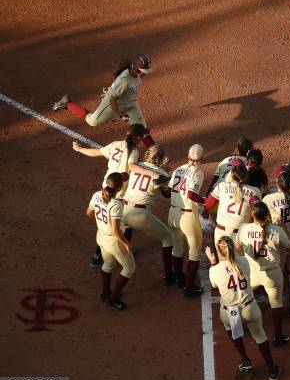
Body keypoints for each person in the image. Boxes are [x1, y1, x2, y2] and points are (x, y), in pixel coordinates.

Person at [206, 238, 282, 380]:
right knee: (260, 337)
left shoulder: (214, 270)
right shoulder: (244, 262)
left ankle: (245, 360)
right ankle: (272, 370)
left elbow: (215, 285)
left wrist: (213, 262)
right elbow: (237, 262)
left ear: (219, 252)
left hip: (230, 312)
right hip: (249, 308)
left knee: (233, 333)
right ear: (232, 248)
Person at [72, 123, 147, 267]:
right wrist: (148, 172)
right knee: (126, 224)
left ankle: (97, 257)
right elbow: (131, 167)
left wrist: (79, 149)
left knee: (105, 224)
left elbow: (96, 152)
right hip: (119, 192)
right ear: (138, 138)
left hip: (106, 187)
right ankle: (126, 250)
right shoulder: (134, 151)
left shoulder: (115, 145)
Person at [53, 54, 155, 148]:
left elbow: (138, 79)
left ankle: (157, 155)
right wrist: (118, 115)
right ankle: (67, 104)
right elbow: (112, 100)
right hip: (113, 104)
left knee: (142, 129)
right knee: (92, 121)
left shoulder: (137, 75)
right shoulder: (124, 80)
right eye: (143, 71)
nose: (144, 73)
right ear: (135, 69)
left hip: (131, 104)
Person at [236, 201, 290, 347]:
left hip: (253, 272)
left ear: (252, 215)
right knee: (276, 303)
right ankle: (278, 336)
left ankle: (236, 327)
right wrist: (283, 227)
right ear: (267, 215)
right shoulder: (277, 230)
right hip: (272, 274)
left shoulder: (244, 229)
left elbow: (238, 246)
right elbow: (289, 246)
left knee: (242, 298)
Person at [122, 145, 175, 285]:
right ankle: (169, 276)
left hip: (123, 210)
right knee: (168, 238)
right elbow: (167, 194)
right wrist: (168, 175)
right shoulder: (161, 175)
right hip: (140, 215)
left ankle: (126, 255)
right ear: (161, 159)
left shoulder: (136, 165)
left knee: (127, 227)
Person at [85, 172, 134, 310]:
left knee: (108, 264)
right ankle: (113, 299)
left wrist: (102, 220)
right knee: (129, 268)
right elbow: (115, 231)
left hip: (100, 236)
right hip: (113, 241)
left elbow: (88, 213)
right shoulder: (116, 204)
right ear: (119, 188)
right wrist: (126, 243)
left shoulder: (96, 195)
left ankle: (106, 293)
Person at [263, 164, 290, 315]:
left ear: (277, 183)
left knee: (279, 273)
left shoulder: (268, 199)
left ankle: (279, 305)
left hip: (278, 240)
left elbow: (264, 220)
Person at [168, 144, 207, 297]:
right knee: (194, 252)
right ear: (202, 158)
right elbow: (191, 195)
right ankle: (190, 288)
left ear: (187, 155)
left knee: (177, 248)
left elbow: (168, 191)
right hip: (187, 216)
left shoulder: (179, 169)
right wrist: (205, 200)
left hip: (172, 214)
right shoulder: (198, 172)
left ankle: (180, 279)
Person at [206, 161, 262, 249]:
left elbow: (208, 205)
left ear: (231, 174)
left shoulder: (221, 186)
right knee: (243, 262)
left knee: (224, 262)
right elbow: (259, 213)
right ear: (246, 175)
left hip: (222, 233)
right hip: (242, 235)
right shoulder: (254, 191)